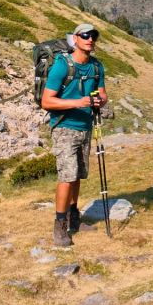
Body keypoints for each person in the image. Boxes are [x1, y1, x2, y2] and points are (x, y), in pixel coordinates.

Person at [41, 23, 108, 246]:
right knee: (67, 176)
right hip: (64, 127)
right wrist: (79, 102)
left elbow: (103, 94)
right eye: (85, 35)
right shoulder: (62, 66)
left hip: (85, 126)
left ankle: (74, 218)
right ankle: (60, 227)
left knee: (77, 174)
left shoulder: (96, 67)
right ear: (75, 39)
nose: (90, 39)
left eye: (93, 35)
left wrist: (99, 100)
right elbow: (47, 101)